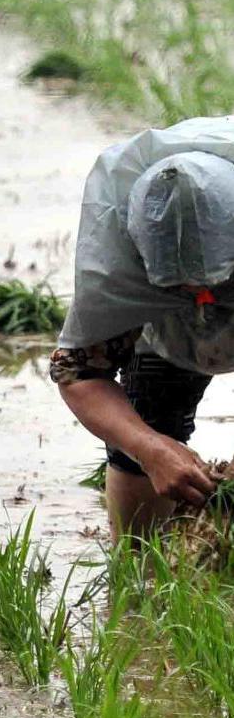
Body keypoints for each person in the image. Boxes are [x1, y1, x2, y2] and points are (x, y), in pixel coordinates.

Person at [53, 117, 234, 539]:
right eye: (184, 285)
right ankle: (135, 583)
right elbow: (77, 371)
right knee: (148, 415)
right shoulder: (115, 250)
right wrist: (149, 448)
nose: (203, 297)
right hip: (162, 320)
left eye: (214, 282)